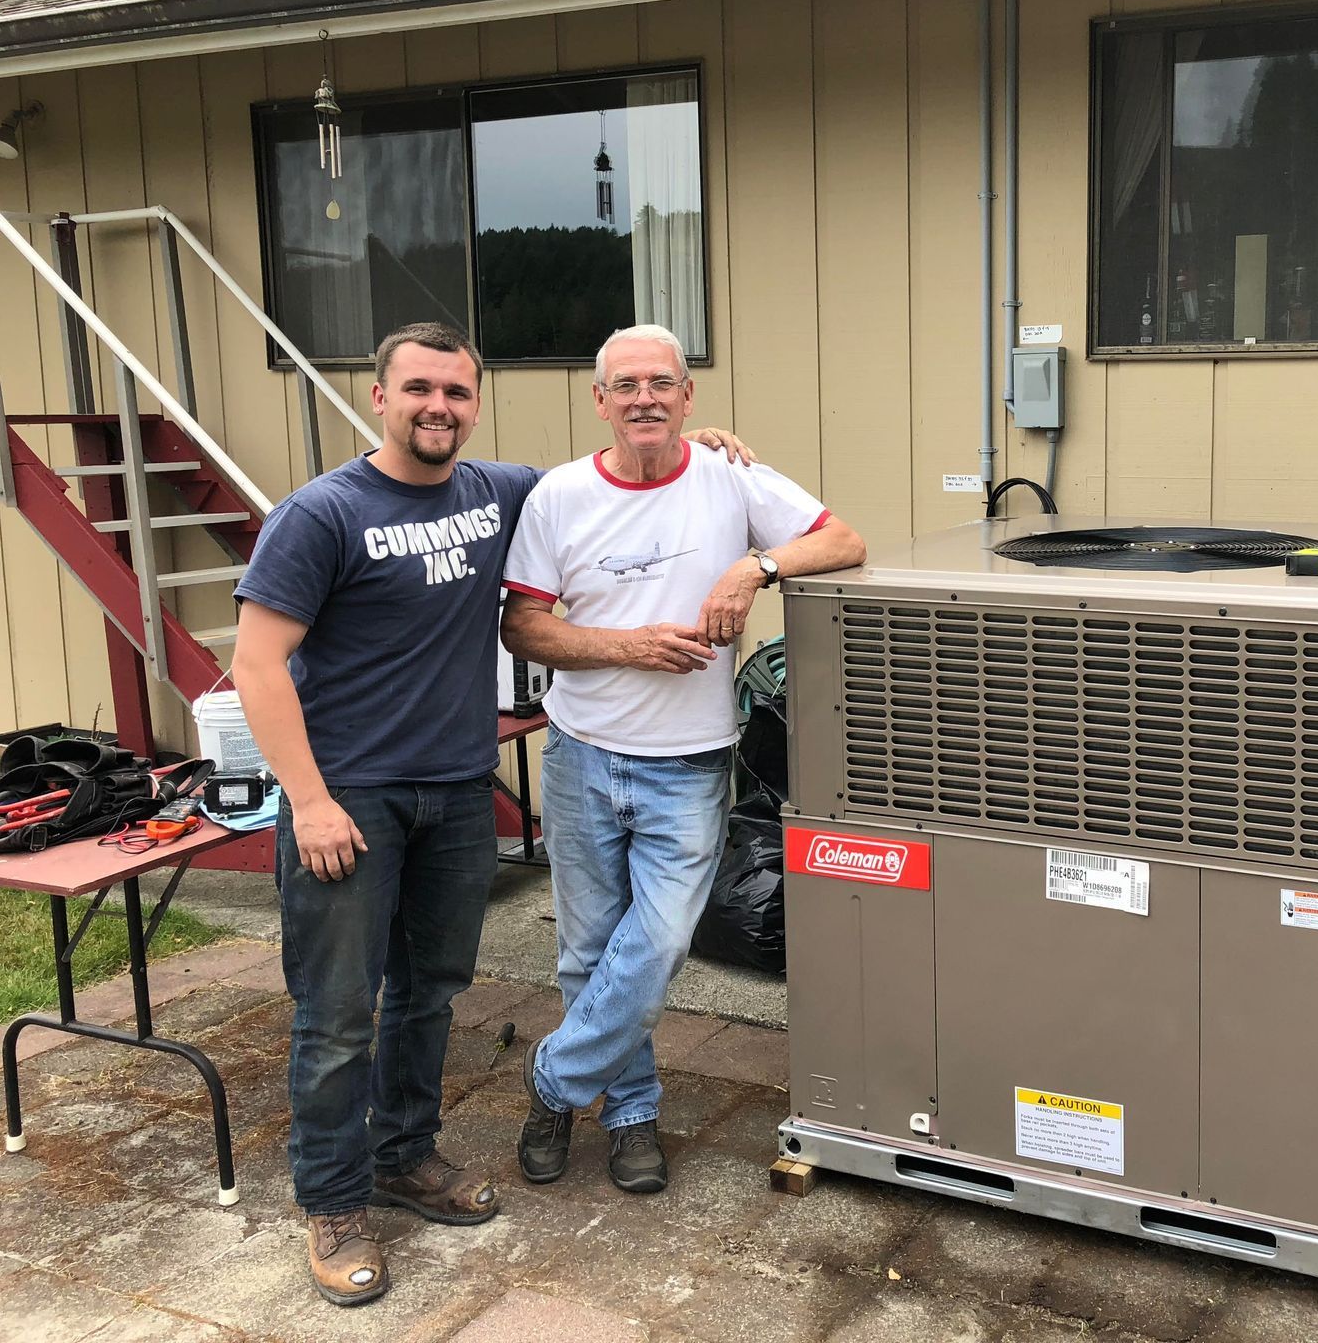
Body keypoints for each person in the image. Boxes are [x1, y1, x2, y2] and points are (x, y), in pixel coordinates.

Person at [231, 321, 749, 1307]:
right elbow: (256, 666)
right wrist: (307, 800)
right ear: (378, 395)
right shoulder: (320, 515)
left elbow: (615, 474)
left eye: (457, 393)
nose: (438, 408)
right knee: (339, 1015)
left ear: (475, 403)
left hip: (459, 790)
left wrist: (697, 443)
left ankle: (405, 1156)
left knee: (430, 993)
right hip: (349, 798)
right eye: (418, 390)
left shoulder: (497, 491)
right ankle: (334, 1204)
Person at [501, 323, 864, 1194]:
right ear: (600, 400)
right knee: (589, 953)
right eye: (625, 385)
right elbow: (522, 623)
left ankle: (553, 1080)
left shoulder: (729, 477)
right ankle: (630, 1116)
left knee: (657, 945)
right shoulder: (558, 497)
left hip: (691, 764)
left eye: (661, 382)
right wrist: (627, 646)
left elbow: (844, 540)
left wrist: (755, 568)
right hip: (583, 755)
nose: (644, 399)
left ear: (688, 396)